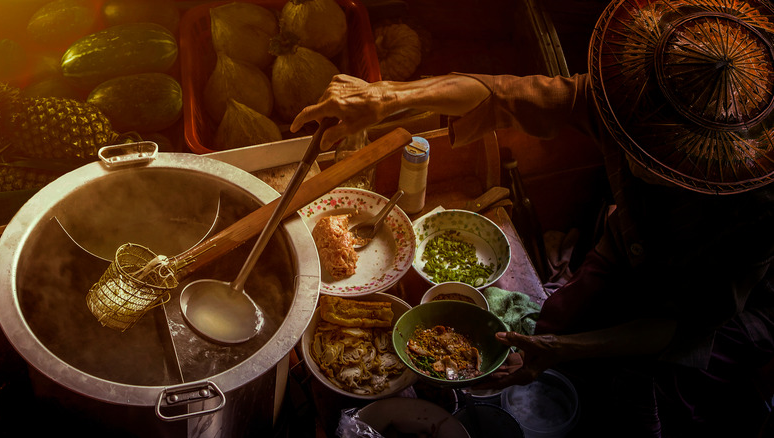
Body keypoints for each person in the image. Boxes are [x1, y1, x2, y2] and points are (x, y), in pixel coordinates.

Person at [291, 1, 774, 436]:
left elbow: (685, 328)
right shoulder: (635, 102)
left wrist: (567, 350)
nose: (627, 158)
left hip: (705, 320)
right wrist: (390, 96)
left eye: (649, 159)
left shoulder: (754, 211)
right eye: (626, 142)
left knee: (639, 405)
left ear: (702, 164)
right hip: (626, 246)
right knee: (554, 323)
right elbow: (507, 95)